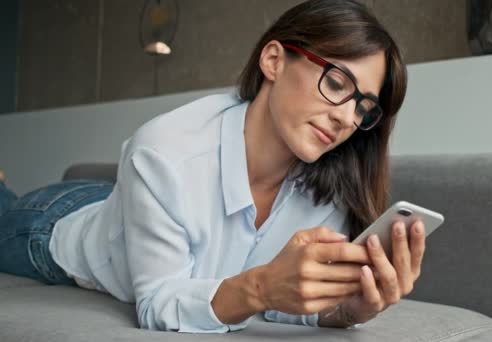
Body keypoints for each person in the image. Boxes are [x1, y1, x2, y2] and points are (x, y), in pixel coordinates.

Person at [0, 0, 426, 333]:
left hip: (135, 207)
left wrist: (347, 309)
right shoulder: (164, 151)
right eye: (336, 83)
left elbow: (290, 305)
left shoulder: (330, 182)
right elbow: (158, 305)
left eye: (363, 107)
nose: (346, 118)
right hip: (52, 228)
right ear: (274, 60)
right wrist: (260, 287)